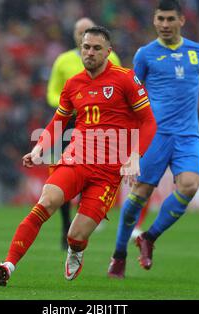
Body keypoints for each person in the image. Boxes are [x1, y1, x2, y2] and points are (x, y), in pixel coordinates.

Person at [0, 26, 156, 285]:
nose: (90, 52)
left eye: (96, 48)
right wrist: (38, 150)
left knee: (76, 234)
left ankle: (75, 250)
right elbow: (58, 121)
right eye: (86, 47)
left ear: (108, 52)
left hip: (108, 172)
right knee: (46, 202)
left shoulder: (125, 79)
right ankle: (8, 265)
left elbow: (149, 122)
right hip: (75, 159)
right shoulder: (73, 84)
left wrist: (135, 156)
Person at [107, 0, 199, 278]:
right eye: (159, 19)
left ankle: (149, 237)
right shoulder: (145, 54)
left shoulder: (198, 52)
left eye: (169, 19)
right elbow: (130, 96)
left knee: (189, 185)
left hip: (187, 134)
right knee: (140, 194)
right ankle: (119, 254)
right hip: (154, 135)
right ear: (154, 20)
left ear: (181, 21)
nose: (164, 24)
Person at [47, 18, 121, 250]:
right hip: (69, 124)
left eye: (86, 32)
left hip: (99, 128)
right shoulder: (63, 61)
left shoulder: (112, 60)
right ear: (75, 37)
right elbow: (53, 92)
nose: (83, 37)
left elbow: (119, 90)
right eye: (79, 33)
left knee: (91, 175)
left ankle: (84, 217)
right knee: (63, 176)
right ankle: (65, 226)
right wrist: (69, 107)